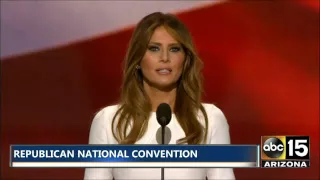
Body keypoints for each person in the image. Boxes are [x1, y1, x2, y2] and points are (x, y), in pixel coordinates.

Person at [84, 12, 235, 180]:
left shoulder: (209, 119)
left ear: (185, 61)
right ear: (138, 59)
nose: (164, 58)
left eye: (174, 49)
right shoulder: (109, 121)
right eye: (154, 48)